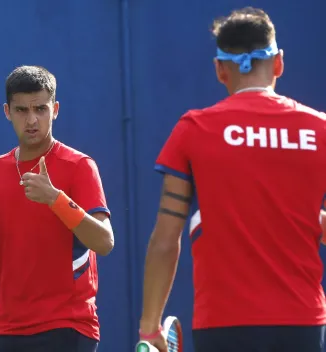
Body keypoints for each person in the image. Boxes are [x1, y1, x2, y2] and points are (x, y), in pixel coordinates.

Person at [138, 7, 326, 352]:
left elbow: (166, 238)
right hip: (302, 324)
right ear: (279, 63)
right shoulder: (320, 130)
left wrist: (150, 327)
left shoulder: (193, 130)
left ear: (220, 70)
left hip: (224, 325)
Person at [0, 65, 114, 352]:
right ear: (7, 112)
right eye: (21, 110)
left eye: (40, 109)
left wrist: (55, 199)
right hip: (2, 330)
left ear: (55, 109)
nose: (32, 120)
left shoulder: (80, 167)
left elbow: (104, 242)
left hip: (66, 327)